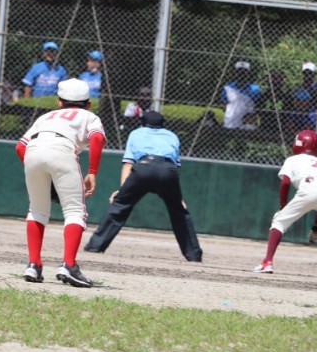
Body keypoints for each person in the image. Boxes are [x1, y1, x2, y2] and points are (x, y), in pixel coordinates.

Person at [14, 76, 105, 289]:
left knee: (36, 210)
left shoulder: (46, 117)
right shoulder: (88, 115)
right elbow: (97, 139)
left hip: (33, 152)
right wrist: (92, 172)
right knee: (75, 211)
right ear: (88, 104)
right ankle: (69, 265)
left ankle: (33, 265)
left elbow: (20, 147)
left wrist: (39, 173)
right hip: (62, 151)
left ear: (59, 102)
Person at [85, 108, 203, 261]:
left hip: (143, 167)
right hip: (167, 170)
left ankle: (95, 245)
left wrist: (121, 191)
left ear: (142, 124)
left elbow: (128, 164)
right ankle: (193, 254)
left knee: (120, 205)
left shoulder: (136, 133)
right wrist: (178, 198)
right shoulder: (172, 136)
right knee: (178, 212)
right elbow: (174, 167)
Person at [254, 129, 317, 273]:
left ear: (299, 144)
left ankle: (267, 262)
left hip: (308, 188)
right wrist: (316, 227)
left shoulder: (292, 160)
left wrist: (282, 206)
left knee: (279, 222)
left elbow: (285, 183)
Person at [220, 60, 262, 130]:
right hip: (230, 123)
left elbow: (259, 105)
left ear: (248, 74)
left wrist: (251, 116)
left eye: (244, 73)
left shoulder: (255, 89)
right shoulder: (228, 88)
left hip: (248, 124)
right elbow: (223, 104)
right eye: (239, 72)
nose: (241, 75)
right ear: (235, 73)